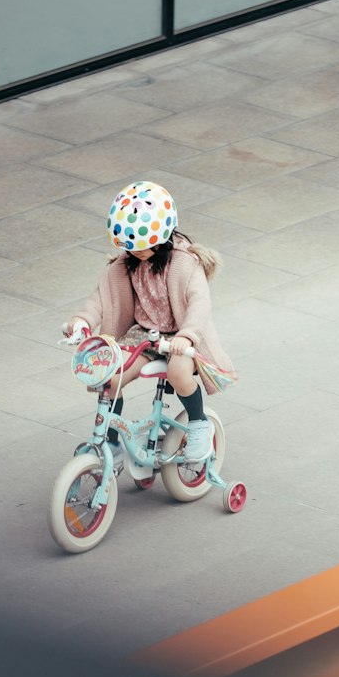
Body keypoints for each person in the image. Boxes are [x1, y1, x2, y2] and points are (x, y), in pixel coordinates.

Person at [63, 181, 233, 467]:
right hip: (143, 336)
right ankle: (112, 443)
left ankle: (198, 423)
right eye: (131, 248)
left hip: (180, 338)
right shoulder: (126, 263)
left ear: (162, 237)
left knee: (179, 373)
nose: (136, 253)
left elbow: (199, 303)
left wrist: (188, 336)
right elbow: (101, 300)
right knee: (111, 377)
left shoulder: (184, 263)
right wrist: (82, 320)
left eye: (143, 247)